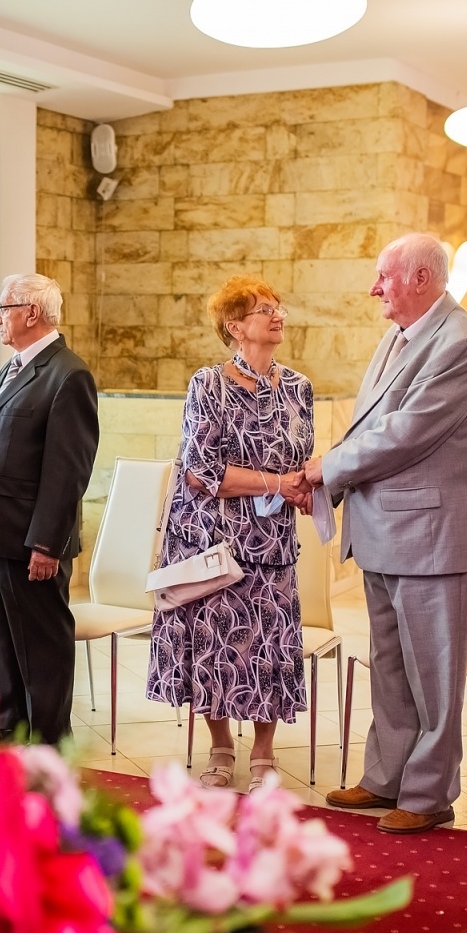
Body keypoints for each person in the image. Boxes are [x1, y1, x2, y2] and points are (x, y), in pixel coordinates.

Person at [303, 232, 467, 834]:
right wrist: (331, 471)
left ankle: (429, 794)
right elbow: (371, 423)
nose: (374, 288)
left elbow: (407, 433)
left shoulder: (462, 343)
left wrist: (323, 469)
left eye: (384, 276)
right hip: (384, 529)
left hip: (434, 536)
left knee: (433, 673)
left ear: (420, 278)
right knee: (389, 663)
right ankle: (386, 779)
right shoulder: (398, 336)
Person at [145, 276, 314, 792]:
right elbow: (202, 471)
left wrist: (304, 483)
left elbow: (303, 461)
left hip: (273, 544)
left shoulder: (298, 388)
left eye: (279, 306)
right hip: (212, 543)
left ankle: (264, 749)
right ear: (235, 326)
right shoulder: (208, 384)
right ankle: (220, 746)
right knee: (214, 647)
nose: (278, 315)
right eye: (265, 309)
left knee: (269, 646)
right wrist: (278, 482)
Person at [0, 273, 99, 745]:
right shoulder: (14, 367)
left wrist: (46, 543)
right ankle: (10, 729)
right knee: (2, 643)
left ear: (30, 313)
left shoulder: (69, 374)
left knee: (42, 646)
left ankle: (50, 743)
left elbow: (68, 471)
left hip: (31, 540)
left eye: (4, 308)